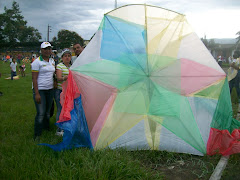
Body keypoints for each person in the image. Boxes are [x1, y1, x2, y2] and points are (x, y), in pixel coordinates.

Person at [31, 42, 55, 140]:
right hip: (40, 90)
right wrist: (36, 93)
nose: (48, 51)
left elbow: (53, 74)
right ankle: (37, 134)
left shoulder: (52, 61)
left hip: (50, 89)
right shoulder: (36, 62)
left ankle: (46, 128)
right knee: (40, 113)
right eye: (45, 49)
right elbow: (34, 79)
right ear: (41, 50)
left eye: (49, 49)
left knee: (47, 112)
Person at [54, 48, 71, 136]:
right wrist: (66, 77)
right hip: (60, 91)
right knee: (60, 110)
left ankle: (66, 127)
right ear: (62, 57)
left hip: (68, 92)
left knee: (67, 110)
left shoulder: (72, 66)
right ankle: (59, 129)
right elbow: (59, 78)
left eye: (69, 56)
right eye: (65, 56)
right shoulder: (60, 66)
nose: (67, 58)